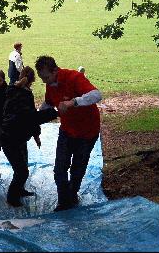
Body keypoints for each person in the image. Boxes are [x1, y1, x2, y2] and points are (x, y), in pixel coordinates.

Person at [35, 55, 102, 212]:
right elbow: (49, 103)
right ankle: (64, 201)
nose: (44, 81)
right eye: (41, 78)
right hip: (67, 130)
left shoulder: (74, 77)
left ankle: (72, 195)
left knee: (78, 168)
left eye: (45, 77)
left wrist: (73, 102)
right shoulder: (50, 84)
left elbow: (97, 95)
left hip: (87, 132)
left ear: (55, 70)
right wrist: (36, 115)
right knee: (60, 168)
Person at [0, 66, 57, 207]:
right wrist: (54, 113)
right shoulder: (22, 95)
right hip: (10, 137)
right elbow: (30, 117)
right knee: (21, 171)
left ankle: (20, 190)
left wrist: (36, 135)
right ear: (32, 80)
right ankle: (12, 198)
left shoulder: (15, 90)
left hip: (17, 136)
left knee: (23, 166)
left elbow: (30, 118)